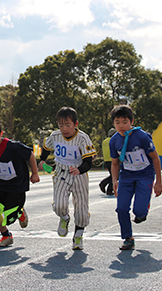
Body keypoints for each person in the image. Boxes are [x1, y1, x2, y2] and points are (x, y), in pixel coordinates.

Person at [38, 107, 97, 250]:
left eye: (68, 125)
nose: (64, 128)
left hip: (78, 174)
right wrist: (42, 160)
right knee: (59, 205)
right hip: (61, 173)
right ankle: (64, 218)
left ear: (76, 124)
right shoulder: (55, 136)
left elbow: (88, 161)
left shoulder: (83, 138)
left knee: (81, 209)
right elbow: (46, 147)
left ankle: (78, 235)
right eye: (61, 125)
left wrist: (80, 169)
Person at [109, 105, 162, 250]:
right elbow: (115, 163)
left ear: (131, 121)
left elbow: (156, 158)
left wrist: (158, 182)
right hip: (126, 176)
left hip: (144, 175)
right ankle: (128, 238)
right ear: (113, 123)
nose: (121, 126)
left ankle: (143, 209)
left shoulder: (142, 137)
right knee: (121, 208)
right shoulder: (113, 141)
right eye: (117, 122)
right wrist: (115, 181)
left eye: (125, 122)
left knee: (139, 212)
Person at [0, 117, 39, 247]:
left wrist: (34, 173)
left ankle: (20, 212)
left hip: (16, 186)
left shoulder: (13, 147)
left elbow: (30, 154)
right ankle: (6, 235)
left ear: (1, 134)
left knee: (10, 216)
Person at [99, 128, 116, 196]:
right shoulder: (114, 140)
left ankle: (103, 184)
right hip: (113, 159)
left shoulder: (104, 141)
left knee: (113, 175)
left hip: (106, 159)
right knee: (115, 175)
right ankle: (108, 189)